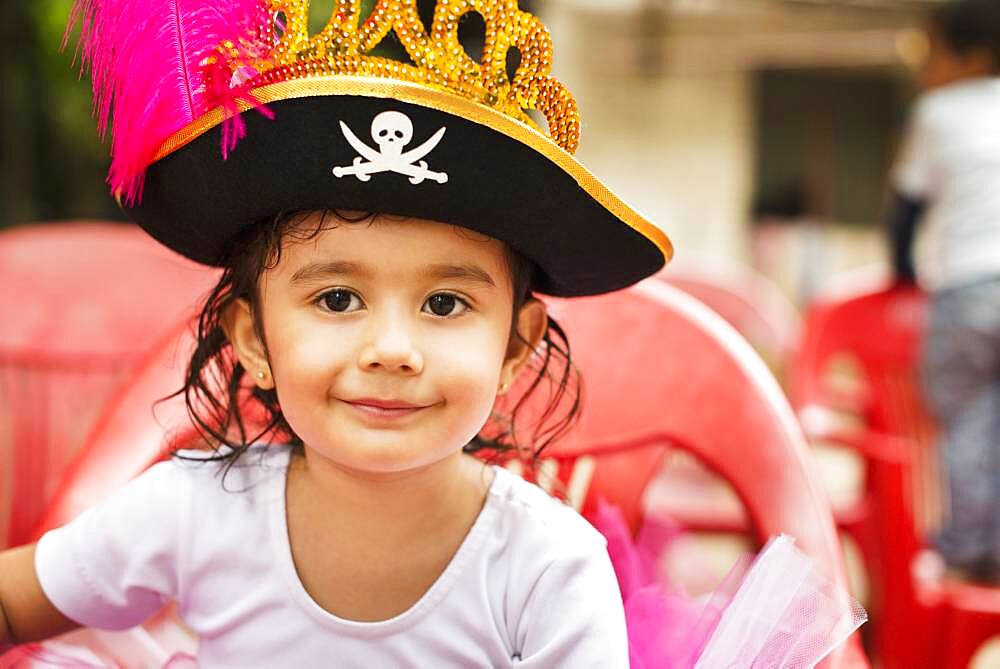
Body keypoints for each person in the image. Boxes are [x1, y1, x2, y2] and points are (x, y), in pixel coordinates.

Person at [0, 1, 862, 666]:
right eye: (336, 299)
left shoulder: (549, 566)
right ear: (251, 336)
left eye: (445, 305)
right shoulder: (188, 511)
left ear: (518, 344)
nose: (393, 346)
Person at [887, 0, 1000, 583]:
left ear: (971, 57)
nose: (925, 68)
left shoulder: (938, 111)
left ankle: (970, 551)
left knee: (964, 410)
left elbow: (905, 210)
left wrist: (903, 275)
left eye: (932, 53)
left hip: (971, 289)